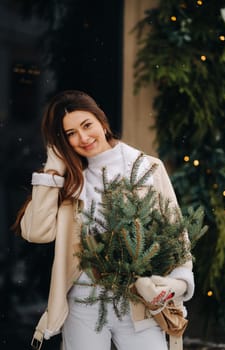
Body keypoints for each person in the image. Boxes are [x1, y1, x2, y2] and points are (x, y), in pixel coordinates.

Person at [14, 90, 194, 350]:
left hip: (137, 301)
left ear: (102, 121)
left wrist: (179, 281)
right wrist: (53, 169)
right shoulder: (70, 182)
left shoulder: (148, 168)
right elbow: (36, 232)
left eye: (87, 125)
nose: (83, 138)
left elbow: (176, 233)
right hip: (84, 303)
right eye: (70, 134)